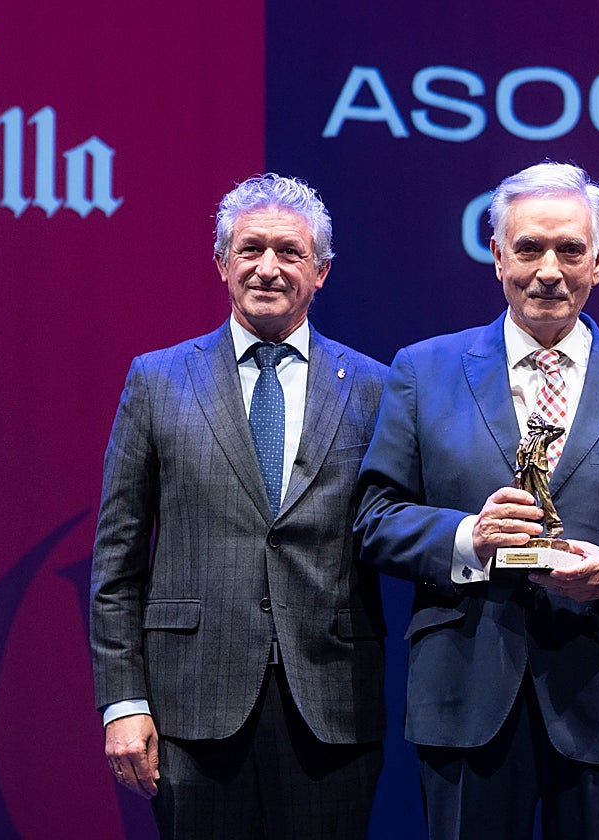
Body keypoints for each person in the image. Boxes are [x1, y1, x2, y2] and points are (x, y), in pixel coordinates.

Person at [355, 162, 599, 840]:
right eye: (529, 248)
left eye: (570, 250)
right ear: (497, 256)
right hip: (464, 693)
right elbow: (374, 519)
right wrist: (467, 539)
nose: (549, 269)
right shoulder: (422, 372)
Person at [89, 174, 387, 839]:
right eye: (251, 249)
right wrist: (123, 701)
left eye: (290, 251)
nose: (269, 267)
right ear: (222, 262)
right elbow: (117, 559)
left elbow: (398, 526)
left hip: (333, 706)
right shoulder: (159, 380)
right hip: (190, 708)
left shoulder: (375, 387)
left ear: (322, 271)